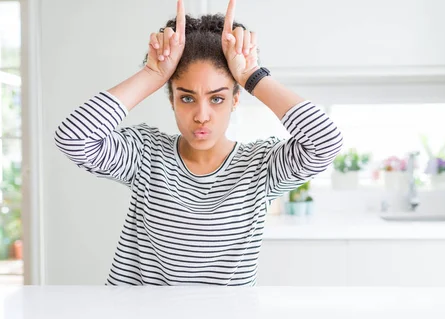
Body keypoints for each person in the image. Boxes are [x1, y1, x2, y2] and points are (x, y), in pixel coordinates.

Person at [54, 0, 343, 286]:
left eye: (217, 98)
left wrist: (251, 76)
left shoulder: (261, 166)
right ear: (172, 99)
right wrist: (153, 74)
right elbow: (74, 138)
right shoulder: (146, 154)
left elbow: (325, 142)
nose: (201, 116)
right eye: (187, 97)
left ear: (235, 99)